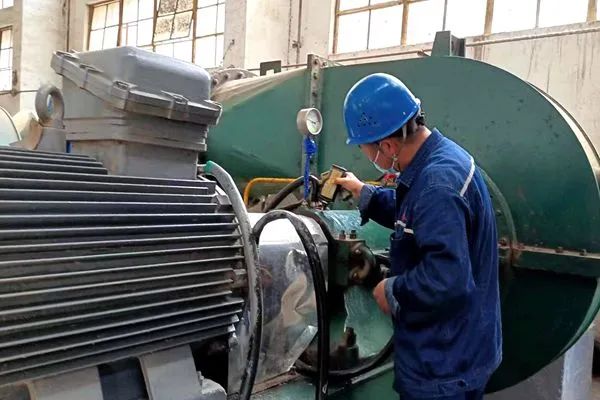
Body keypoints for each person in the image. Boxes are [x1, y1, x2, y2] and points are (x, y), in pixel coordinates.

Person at [336, 73, 502, 400]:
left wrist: (393, 290)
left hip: (444, 362)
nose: (367, 155)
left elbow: (446, 279)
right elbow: (415, 214)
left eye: (365, 148)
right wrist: (365, 193)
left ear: (387, 145)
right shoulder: (441, 160)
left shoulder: (437, 185)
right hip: (463, 343)